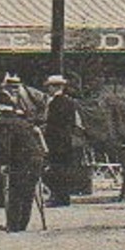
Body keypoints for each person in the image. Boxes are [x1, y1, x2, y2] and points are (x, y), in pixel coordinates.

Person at [0, 102, 47, 233]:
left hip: (21, 160)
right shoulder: (26, 124)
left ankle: (13, 225)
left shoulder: (2, 124)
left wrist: (3, 163)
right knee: (28, 192)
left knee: (15, 191)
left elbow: (4, 146)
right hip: (36, 159)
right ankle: (22, 224)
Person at [41, 75, 80, 207]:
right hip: (65, 140)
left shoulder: (55, 102)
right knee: (63, 169)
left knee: (56, 169)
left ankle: (58, 197)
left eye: (50, 86)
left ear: (56, 87)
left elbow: (54, 124)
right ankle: (63, 196)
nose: (48, 89)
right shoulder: (69, 101)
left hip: (56, 140)